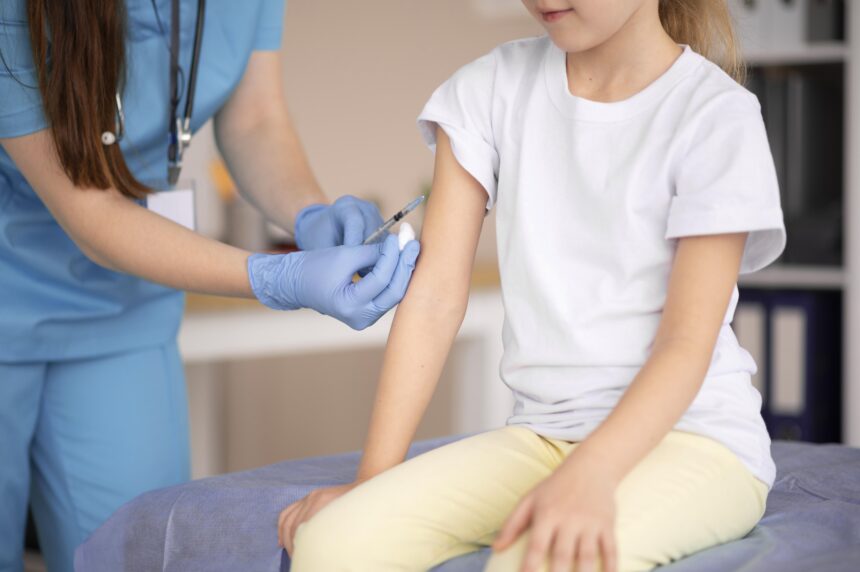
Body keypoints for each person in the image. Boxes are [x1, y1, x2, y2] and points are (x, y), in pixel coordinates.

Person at [279, 0, 786, 570]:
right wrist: (371, 480)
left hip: (694, 440)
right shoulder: (486, 91)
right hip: (542, 438)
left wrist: (590, 474)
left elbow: (685, 345)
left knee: (538, 558)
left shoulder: (716, 116)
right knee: (331, 544)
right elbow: (434, 301)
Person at [0, 1, 418, 570]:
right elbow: (90, 214)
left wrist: (308, 213)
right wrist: (273, 277)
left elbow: (254, 120)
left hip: (122, 304)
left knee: (137, 550)